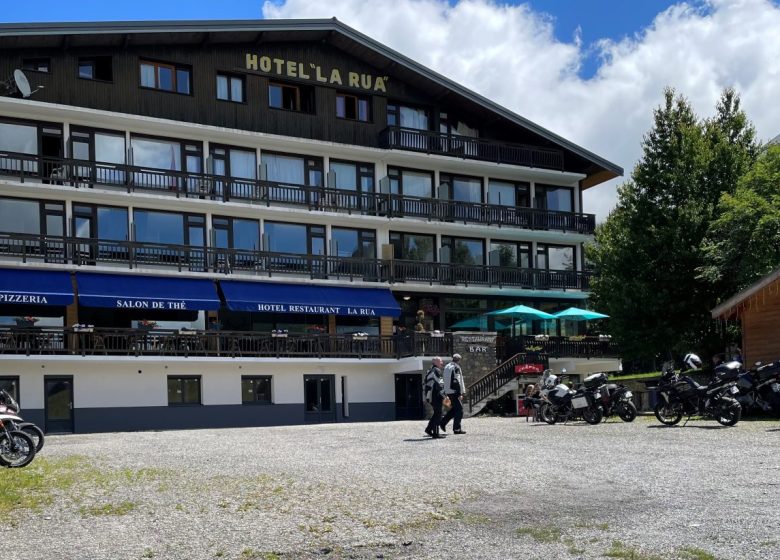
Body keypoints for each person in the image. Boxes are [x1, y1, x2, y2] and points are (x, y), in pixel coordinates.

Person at [440, 353, 466, 434]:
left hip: (448, 391)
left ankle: (443, 422)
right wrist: (460, 393)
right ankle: (456, 429)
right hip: (454, 391)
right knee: (460, 410)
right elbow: (457, 380)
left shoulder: (447, 366)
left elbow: (445, 379)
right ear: (459, 360)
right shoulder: (456, 367)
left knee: (455, 409)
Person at [423, 357, 446, 438]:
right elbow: (439, 384)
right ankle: (436, 433)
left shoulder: (429, 370)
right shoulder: (436, 370)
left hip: (430, 395)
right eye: (440, 361)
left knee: (437, 413)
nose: (442, 362)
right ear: (435, 362)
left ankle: (429, 429)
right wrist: (444, 395)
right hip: (435, 395)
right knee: (438, 413)